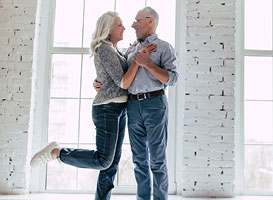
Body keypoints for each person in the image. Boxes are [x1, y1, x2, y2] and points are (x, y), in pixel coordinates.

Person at [30, 11, 156, 200]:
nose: (124, 28)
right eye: (119, 25)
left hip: (119, 109)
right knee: (103, 160)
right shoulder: (104, 48)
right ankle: (57, 153)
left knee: (112, 162)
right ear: (108, 29)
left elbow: (109, 76)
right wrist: (139, 60)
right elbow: (123, 82)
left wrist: (100, 79)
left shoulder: (115, 50)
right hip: (107, 109)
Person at [94, 6, 178, 200]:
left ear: (151, 21)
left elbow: (172, 79)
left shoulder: (164, 47)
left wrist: (147, 63)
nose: (132, 25)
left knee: (157, 160)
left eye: (137, 20)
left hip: (155, 104)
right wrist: (99, 82)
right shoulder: (130, 49)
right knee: (139, 160)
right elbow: (115, 71)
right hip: (132, 106)